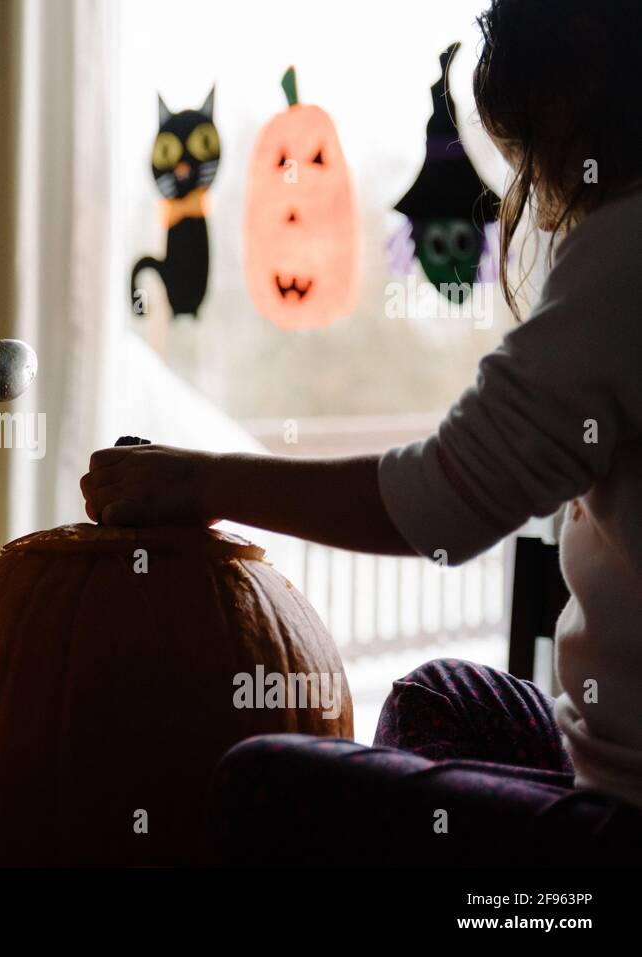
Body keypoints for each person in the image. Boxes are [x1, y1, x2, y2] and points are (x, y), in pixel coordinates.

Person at [79, 0, 642, 864]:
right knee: (435, 696)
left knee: (255, 780)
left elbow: (444, 500)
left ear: (572, 102)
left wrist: (200, 482)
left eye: (533, 158)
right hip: (597, 762)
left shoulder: (625, 244)